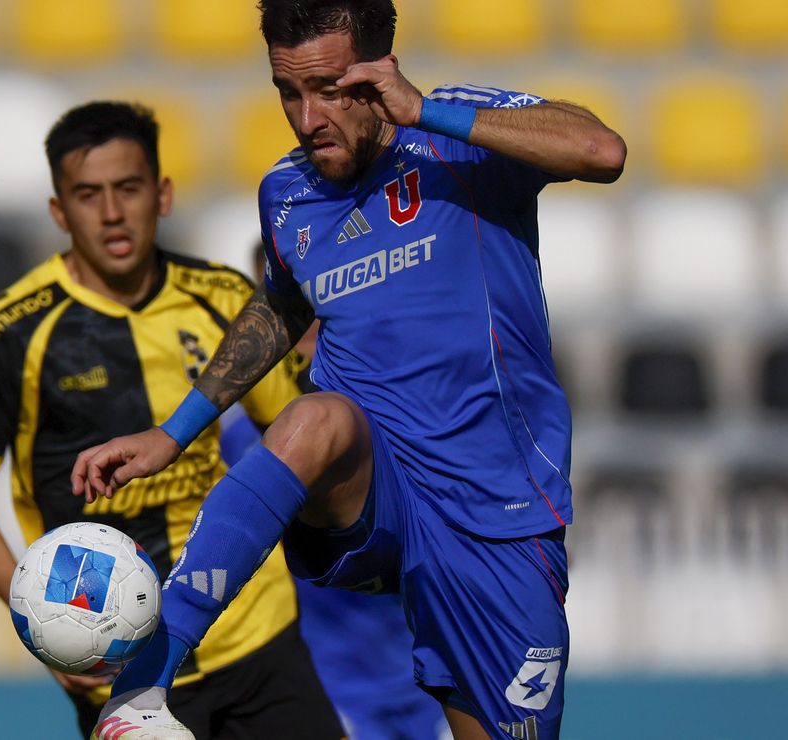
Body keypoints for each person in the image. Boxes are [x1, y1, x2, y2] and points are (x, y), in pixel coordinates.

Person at [72, 2, 627, 738]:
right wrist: (172, 434)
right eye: (287, 92)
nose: (306, 118)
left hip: (495, 511)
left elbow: (602, 152)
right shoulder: (288, 193)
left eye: (330, 89)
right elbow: (279, 309)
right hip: (374, 488)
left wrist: (425, 111)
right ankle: (145, 685)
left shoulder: (458, 137)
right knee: (314, 418)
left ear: (379, 70)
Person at [0, 101, 345, 739]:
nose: (112, 212)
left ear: (163, 194)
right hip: (113, 657)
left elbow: (299, 436)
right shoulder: (11, 330)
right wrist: (39, 619)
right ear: (58, 212)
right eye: (88, 195)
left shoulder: (225, 300)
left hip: (252, 630)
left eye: (128, 189)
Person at [219, 243, 447, 740]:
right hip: (325, 700)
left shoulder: (412, 419)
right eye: (287, 304)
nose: (308, 319)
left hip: (428, 690)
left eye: (321, 293)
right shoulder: (241, 444)